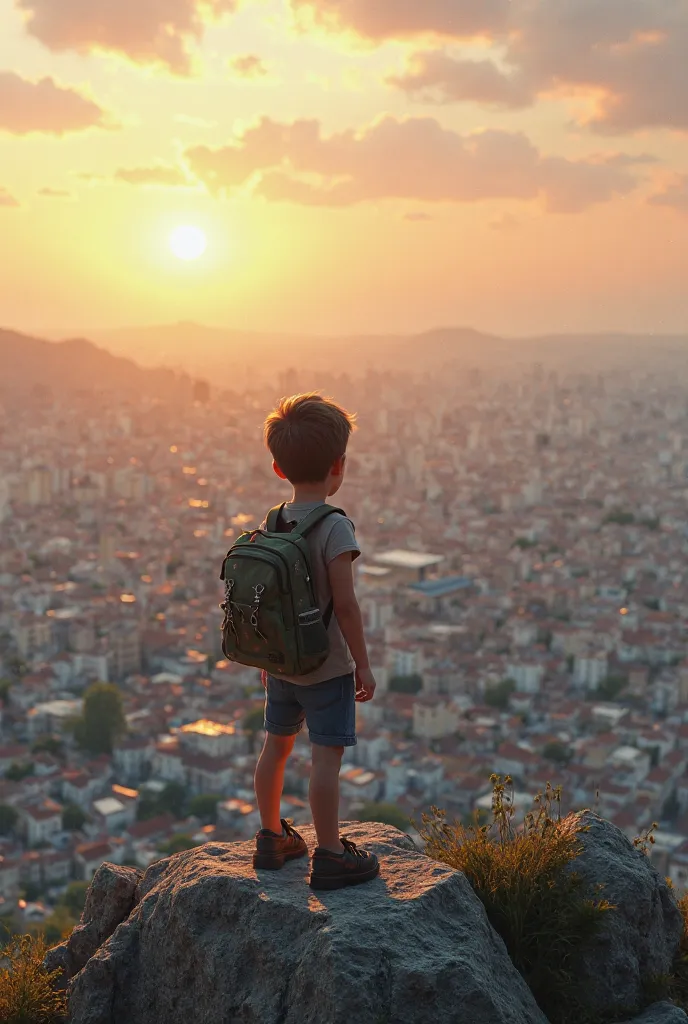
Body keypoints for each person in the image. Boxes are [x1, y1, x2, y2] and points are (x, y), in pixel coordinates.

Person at [252, 392, 379, 890]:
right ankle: (329, 854)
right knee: (326, 758)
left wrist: (267, 654)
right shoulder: (335, 527)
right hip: (327, 669)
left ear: (278, 468)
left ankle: (270, 837)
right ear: (338, 466)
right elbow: (345, 605)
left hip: (281, 664)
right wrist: (363, 666)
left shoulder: (273, 520)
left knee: (275, 749)